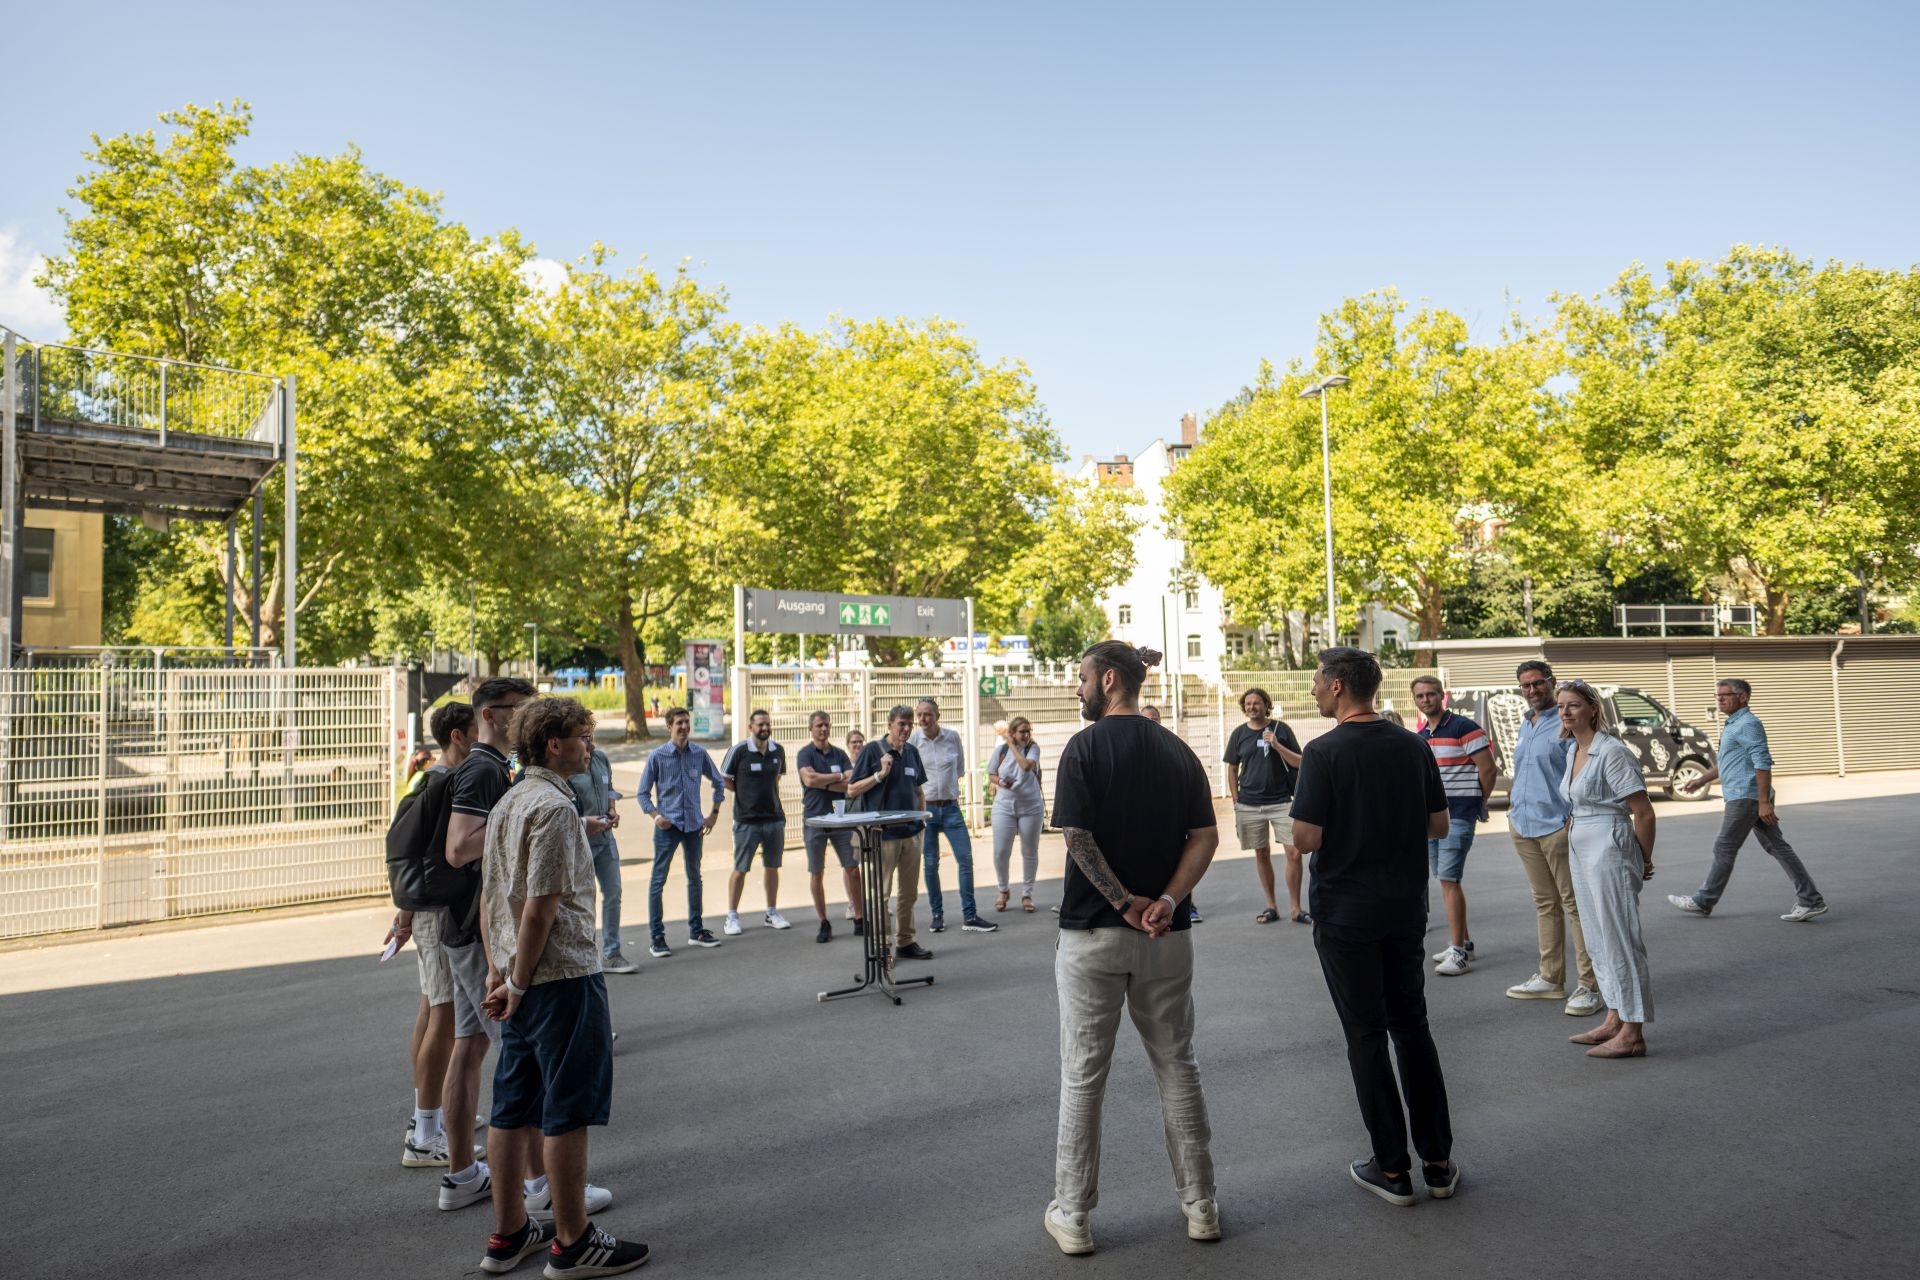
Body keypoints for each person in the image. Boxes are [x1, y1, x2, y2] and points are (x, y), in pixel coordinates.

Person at [1044, 641, 1219, 1255]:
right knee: (1178, 1066)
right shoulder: (1177, 750)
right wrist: (1166, 901)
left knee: (1083, 1076)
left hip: (1094, 936)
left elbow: (1076, 835)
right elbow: (1205, 836)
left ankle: (1074, 1214)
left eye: (1082, 677)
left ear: (1109, 680)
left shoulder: (1083, 748)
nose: (1078, 688)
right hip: (1166, 937)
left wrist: (1124, 903)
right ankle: (1201, 1204)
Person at [478, 696, 645, 1277]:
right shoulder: (552, 807)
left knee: (512, 1107)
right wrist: (518, 982)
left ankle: (508, 1234)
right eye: (583, 736)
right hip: (560, 979)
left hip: (519, 979)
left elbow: (490, 897)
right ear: (554, 744)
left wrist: (499, 973)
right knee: (566, 1108)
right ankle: (573, 1242)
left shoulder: (510, 801)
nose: (590, 746)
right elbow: (539, 908)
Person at [1288, 647, 1458, 1207]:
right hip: (1404, 907)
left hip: (1345, 913)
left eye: (1317, 680)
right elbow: (1438, 825)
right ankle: (1438, 1163)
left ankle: (1391, 1168)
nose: (1314, 689)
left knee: (1365, 1034)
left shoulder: (1323, 751)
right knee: (1412, 1027)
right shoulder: (1413, 746)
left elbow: (1306, 838)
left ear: (1338, 686)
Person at [436, 677, 536, 1213]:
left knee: (470, 1046)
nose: (525, 719)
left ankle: (460, 1176)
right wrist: (517, 826)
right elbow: (458, 848)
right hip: (479, 933)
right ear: (491, 715)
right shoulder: (483, 769)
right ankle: (540, 1186)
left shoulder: (491, 767)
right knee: (519, 1054)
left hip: (463, 926)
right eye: (518, 710)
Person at [389, 701, 473, 1167]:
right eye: (475, 730)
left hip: (422, 908)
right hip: (438, 911)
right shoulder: (445, 784)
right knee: (444, 1014)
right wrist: (409, 912)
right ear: (457, 736)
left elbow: (409, 854)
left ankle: (429, 1112)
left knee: (430, 1008)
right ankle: (424, 1133)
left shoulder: (426, 780)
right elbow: (431, 854)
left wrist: (404, 912)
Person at [1556, 680, 1657, 1059]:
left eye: (1573, 705)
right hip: (1581, 843)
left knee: (1620, 937)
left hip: (1609, 842)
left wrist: (1643, 858)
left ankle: (1633, 1033)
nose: (1565, 712)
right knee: (1597, 937)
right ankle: (1614, 1016)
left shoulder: (1612, 752)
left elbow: (1643, 812)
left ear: (1593, 709)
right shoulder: (1574, 750)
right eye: (1561, 706)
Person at [1670, 679, 1828, 921]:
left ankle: (1704, 901)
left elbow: (1762, 762)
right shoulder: (1733, 724)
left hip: (1746, 796)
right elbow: (1727, 763)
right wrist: (1701, 780)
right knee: (1777, 847)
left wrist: (1764, 801)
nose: (1720, 699)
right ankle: (1811, 900)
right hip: (1746, 795)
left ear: (1742, 697)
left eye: (1725, 695)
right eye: (1717, 695)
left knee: (1724, 846)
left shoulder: (1748, 724)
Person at [1502, 661, 1604, 1016]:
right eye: (1525, 685)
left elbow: (1585, 770)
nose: (1532, 690)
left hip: (1557, 828)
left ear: (1551, 682)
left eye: (1538, 683)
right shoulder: (1526, 723)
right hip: (1523, 825)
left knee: (1575, 906)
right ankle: (1551, 978)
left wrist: (1571, 817)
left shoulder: (1564, 722)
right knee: (1545, 904)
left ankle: (1589, 985)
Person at [1410, 676, 1494, 977]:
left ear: (1442, 696)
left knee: (1449, 880)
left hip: (1459, 814)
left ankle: (1457, 952)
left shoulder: (1464, 727)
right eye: (1420, 696)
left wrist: (1479, 802)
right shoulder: (1421, 736)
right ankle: (1464, 942)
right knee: (1445, 879)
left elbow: (1488, 769)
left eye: (1431, 694)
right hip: (1433, 819)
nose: (1426, 700)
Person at [635, 708, 727, 957]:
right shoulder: (657, 756)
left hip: (694, 826)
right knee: (658, 880)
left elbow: (718, 782)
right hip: (669, 827)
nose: (684, 726)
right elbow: (642, 793)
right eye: (679, 723)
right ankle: (657, 937)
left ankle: (696, 931)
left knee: (695, 877)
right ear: (669, 727)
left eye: (687, 722)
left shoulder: (699, 753)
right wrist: (656, 817)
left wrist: (714, 814)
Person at [847, 706, 932, 960]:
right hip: (882, 836)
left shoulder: (912, 752)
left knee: (909, 893)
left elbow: (918, 791)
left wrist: (921, 822)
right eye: (901, 724)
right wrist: (879, 775)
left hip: (911, 833)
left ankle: (906, 941)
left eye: (909, 724)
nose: (906, 729)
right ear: (889, 724)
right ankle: (883, 946)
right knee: (880, 894)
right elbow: (852, 789)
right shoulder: (872, 751)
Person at [911, 698, 996, 934]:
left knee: (965, 859)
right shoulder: (914, 741)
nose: (923, 719)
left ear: (937, 715)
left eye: (928, 714)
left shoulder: (952, 737)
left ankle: (970, 915)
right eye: (920, 715)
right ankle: (937, 915)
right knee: (930, 863)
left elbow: (959, 770)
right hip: (926, 810)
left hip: (951, 808)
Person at [1224, 689, 1305, 924]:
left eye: (1257, 703)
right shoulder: (1239, 734)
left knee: (1294, 853)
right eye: (1248, 703)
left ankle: (1296, 908)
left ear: (1266, 705)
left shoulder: (1281, 729)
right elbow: (1232, 767)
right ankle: (1272, 906)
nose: (1252, 707)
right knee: (1261, 852)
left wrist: (1277, 745)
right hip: (1250, 803)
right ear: (1244, 707)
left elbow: (1300, 762)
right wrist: (1235, 798)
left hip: (1281, 801)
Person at [568, 727, 634, 974]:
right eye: (583, 737)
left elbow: (610, 788)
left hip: (606, 839)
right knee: (583, 901)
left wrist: (612, 809)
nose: (590, 741)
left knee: (614, 893)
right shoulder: (570, 764)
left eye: (591, 735)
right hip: (581, 843)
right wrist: (585, 822)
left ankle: (612, 954)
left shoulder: (602, 758)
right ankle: (584, 957)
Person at [721, 710, 791, 935]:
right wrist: (744, 792)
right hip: (747, 821)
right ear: (751, 727)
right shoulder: (739, 750)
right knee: (741, 868)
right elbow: (724, 778)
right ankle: (732, 916)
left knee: (772, 867)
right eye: (760, 724)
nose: (765, 728)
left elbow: (777, 777)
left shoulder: (778, 750)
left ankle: (771, 913)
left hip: (774, 819)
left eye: (767, 724)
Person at [797, 710, 862, 943]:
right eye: (819, 726)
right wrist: (835, 778)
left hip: (840, 820)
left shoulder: (839, 754)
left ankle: (859, 917)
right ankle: (824, 921)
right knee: (817, 872)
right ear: (811, 729)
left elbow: (850, 782)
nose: (823, 729)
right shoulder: (805, 754)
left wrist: (822, 782)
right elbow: (809, 780)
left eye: (826, 725)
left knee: (852, 868)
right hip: (814, 821)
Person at [1143, 705, 1202, 923]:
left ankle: (1188, 906)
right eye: (1146, 720)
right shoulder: (1134, 749)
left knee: (1181, 862)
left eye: (1155, 719)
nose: (1151, 723)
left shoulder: (1173, 748)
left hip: (1171, 819)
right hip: (1146, 820)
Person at [988, 716, 1044, 913]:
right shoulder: (1001, 750)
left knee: (1029, 851)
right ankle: (1003, 890)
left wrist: (1012, 745)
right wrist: (1000, 782)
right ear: (1013, 733)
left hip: (1031, 807)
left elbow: (1026, 766)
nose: (1026, 735)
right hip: (1004, 806)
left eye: (1028, 731)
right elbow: (991, 774)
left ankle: (1027, 894)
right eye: (1022, 731)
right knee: (1001, 851)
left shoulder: (1033, 749)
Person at [842, 729, 868, 922]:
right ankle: (852, 903)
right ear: (848, 745)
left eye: (860, 741)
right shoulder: (846, 766)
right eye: (854, 742)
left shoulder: (869, 764)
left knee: (874, 861)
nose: (858, 745)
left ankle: (877, 901)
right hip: (851, 817)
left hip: (868, 816)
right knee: (851, 863)